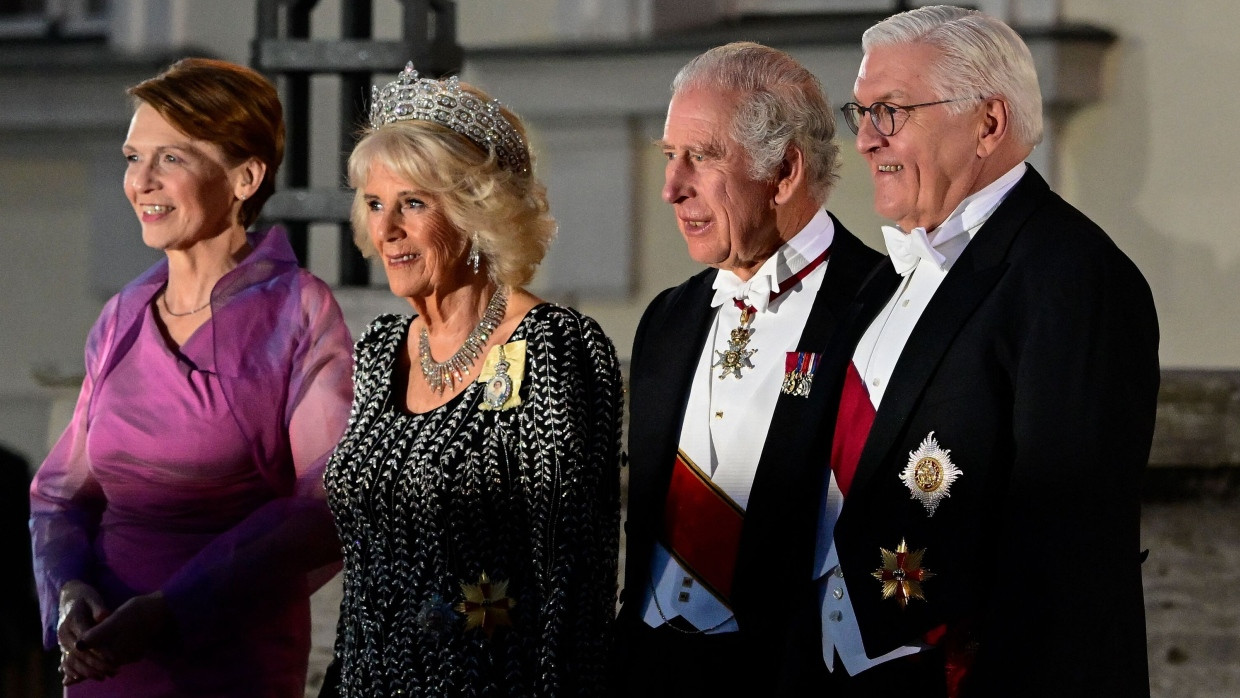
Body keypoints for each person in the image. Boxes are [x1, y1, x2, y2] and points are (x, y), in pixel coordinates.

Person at [803, 6, 1159, 696]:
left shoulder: (1073, 277)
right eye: (861, 112)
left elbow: (1064, 557)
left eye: (892, 112)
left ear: (988, 124)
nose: (866, 141)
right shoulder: (886, 280)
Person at [29, 58, 354, 696]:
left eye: (170, 159)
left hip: (228, 664)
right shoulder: (122, 314)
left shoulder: (298, 311)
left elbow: (326, 503)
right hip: (103, 664)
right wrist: (68, 593)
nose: (141, 181)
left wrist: (171, 609)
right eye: (132, 157)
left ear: (245, 177)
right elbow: (61, 495)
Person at [319, 64, 623, 698]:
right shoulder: (380, 350)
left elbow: (572, 582)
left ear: (472, 210)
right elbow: (365, 573)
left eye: (413, 204)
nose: (387, 229)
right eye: (375, 204)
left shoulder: (550, 347)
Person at [615, 42, 884, 696]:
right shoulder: (667, 320)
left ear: (784, 171)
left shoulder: (883, 310)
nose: (670, 188)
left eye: (701, 157)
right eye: (668, 156)